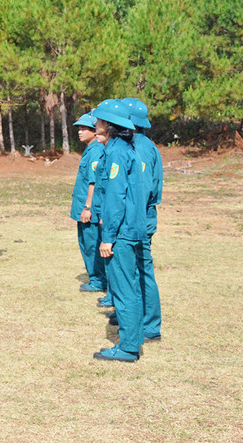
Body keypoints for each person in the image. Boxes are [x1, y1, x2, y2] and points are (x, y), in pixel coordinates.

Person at [90, 99, 147, 362]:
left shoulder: (117, 153)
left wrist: (108, 237)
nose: (95, 124)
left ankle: (128, 348)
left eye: (99, 120)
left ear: (109, 127)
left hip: (121, 234)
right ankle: (131, 343)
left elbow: (115, 198)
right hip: (129, 230)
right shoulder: (122, 149)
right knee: (129, 287)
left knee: (124, 290)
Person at [123, 98, 163, 343]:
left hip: (139, 219)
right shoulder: (137, 144)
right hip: (138, 217)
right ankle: (136, 316)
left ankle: (149, 325)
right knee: (134, 269)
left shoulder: (141, 147)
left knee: (142, 269)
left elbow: (142, 188)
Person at [70, 112, 106, 292]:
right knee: (86, 243)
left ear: (94, 130)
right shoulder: (90, 149)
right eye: (79, 128)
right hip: (83, 206)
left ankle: (98, 281)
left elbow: (93, 181)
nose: (80, 131)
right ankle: (97, 278)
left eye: (84, 128)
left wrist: (88, 207)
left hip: (89, 209)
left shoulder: (96, 151)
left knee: (91, 244)